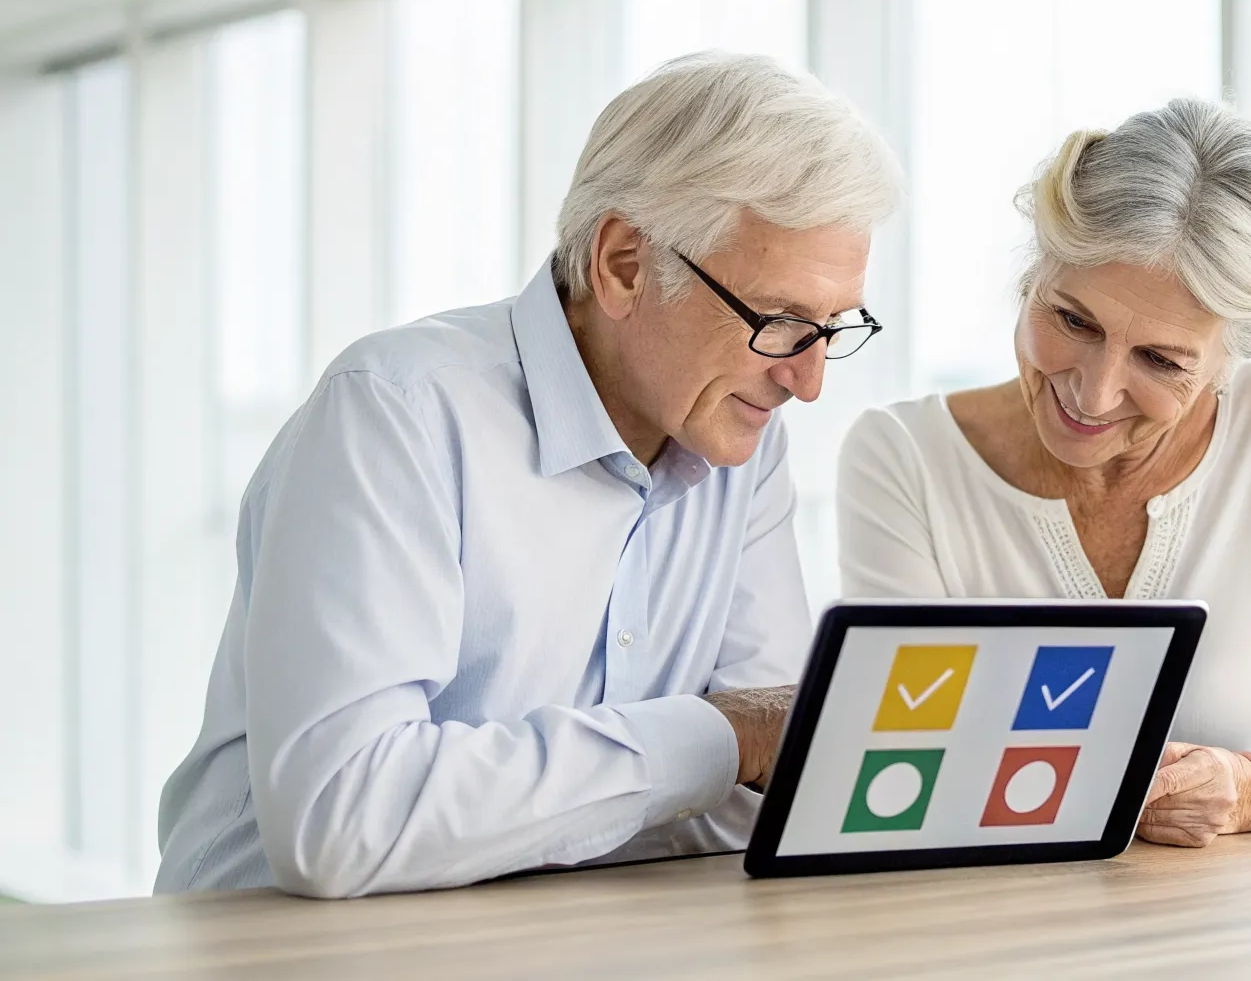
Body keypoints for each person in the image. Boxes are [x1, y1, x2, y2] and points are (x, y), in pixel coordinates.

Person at [156, 52, 901, 898]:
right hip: (281, 951)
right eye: (778, 321)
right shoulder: (397, 412)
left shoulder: (740, 439)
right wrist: (719, 737)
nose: (808, 380)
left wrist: (735, 750)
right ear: (623, 263)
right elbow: (344, 818)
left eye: (833, 327)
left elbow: (756, 797)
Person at [837, 98, 1251, 847]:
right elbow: (898, 781)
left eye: (1162, 361)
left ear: (1230, 364)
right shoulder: (902, 458)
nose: (1094, 393)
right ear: (1031, 276)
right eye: (1072, 321)